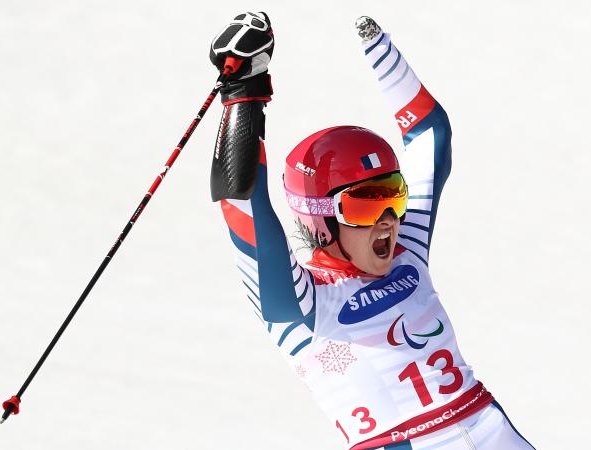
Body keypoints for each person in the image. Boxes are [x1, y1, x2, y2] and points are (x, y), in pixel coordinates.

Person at [208, 12, 535, 450]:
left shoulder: (407, 252)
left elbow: (429, 135)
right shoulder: (307, 301)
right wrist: (244, 94)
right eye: (365, 206)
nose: (388, 220)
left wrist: (380, 49)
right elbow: (243, 202)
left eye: (394, 197)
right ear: (320, 218)